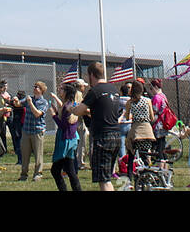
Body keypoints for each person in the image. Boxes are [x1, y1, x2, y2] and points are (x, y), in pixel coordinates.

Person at [69, 62, 126, 192]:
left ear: (91, 75)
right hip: (116, 136)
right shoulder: (114, 90)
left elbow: (78, 111)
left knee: (104, 180)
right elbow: (105, 112)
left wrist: (71, 108)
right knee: (107, 177)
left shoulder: (94, 91)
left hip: (103, 138)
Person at [49, 84, 82, 192]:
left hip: (65, 140)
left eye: (62, 89)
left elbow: (63, 126)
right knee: (70, 170)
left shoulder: (68, 106)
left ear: (67, 92)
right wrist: (57, 112)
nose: (59, 90)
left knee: (55, 170)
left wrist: (54, 115)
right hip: (71, 140)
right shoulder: (71, 104)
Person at [123, 79, 156, 177]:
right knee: (145, 155)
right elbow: (152, 117)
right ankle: (146, 175)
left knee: (131, 155)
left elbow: (127, 117)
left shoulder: (130, 102)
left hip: (136, 131)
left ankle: (130, 177)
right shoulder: (148, 101)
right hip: (147, 131)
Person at [18, 80, 49, 182]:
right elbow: (18, 104)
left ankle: (38, 174)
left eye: (38, 87)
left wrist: (30, 103)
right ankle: (23, 174)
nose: (35, 88)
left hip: (37, 131)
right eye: (34, 86)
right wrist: (15, 100)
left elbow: (37, 114)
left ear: (42, 90)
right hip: (26, 131)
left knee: (38, 154)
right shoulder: (29, 98)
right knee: (25, 154)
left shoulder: (43, 102)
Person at [9, 90, 25, 166]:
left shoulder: (22, 103)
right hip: (18, 124)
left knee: (19, 142)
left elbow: (15, 104)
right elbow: (11, 103)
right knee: (18, 142)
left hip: (20, 125)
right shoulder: (17, 102)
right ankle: (20, 160)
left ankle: (21, 160)